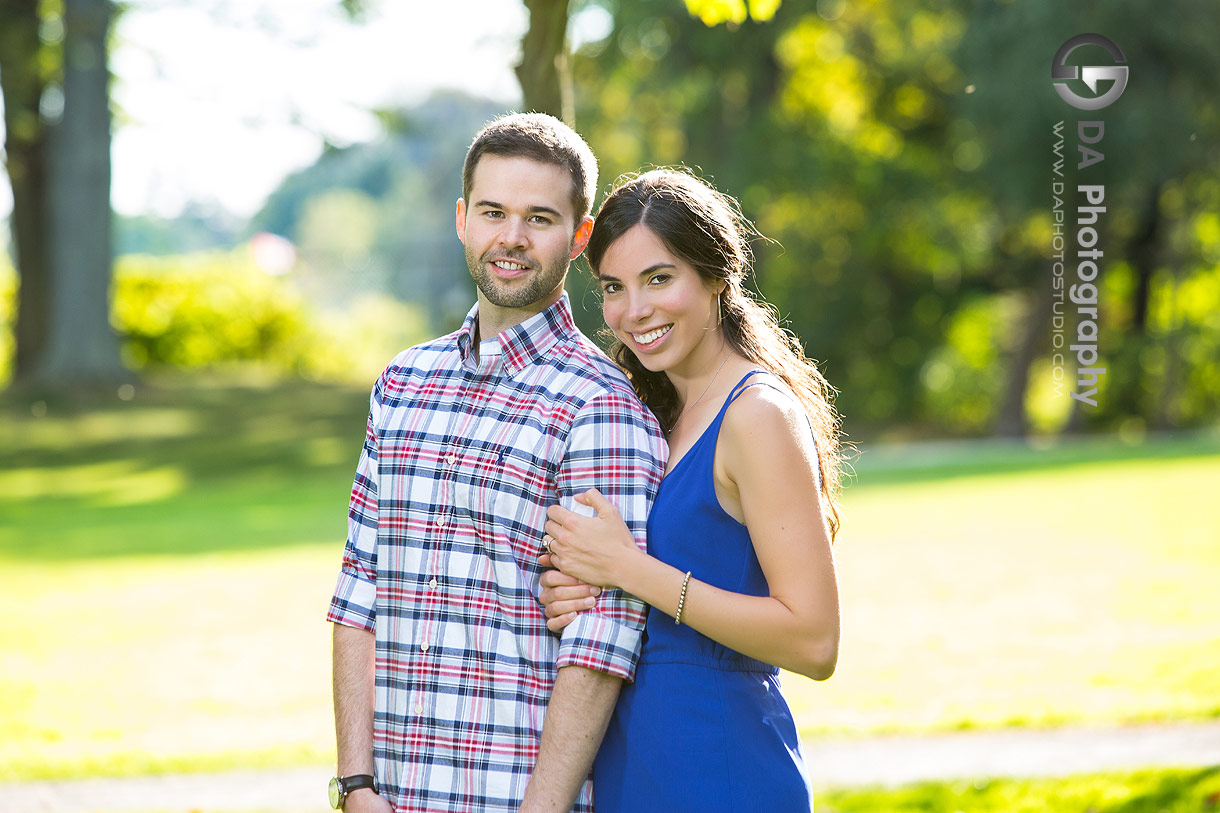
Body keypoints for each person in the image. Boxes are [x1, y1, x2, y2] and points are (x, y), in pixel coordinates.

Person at [326, 113, 667, 813]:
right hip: (387, 797)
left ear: (579, 237)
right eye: (493, 212)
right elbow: (359, 588)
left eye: (538, 218)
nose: (511, 237)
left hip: (511, 796)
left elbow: (603, 635)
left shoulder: (599, 405)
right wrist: (356, 785)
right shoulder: (403, 382)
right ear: (462, 219)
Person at [537, 168, 843, 812]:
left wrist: (628, 568)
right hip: (629, 766)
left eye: (659, 278)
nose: (633, 311)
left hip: (718, 766)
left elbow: (813, 641)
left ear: (715, 274)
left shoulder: (756, 414)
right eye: (613, 288)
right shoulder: (653, 413)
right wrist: (584, 587)